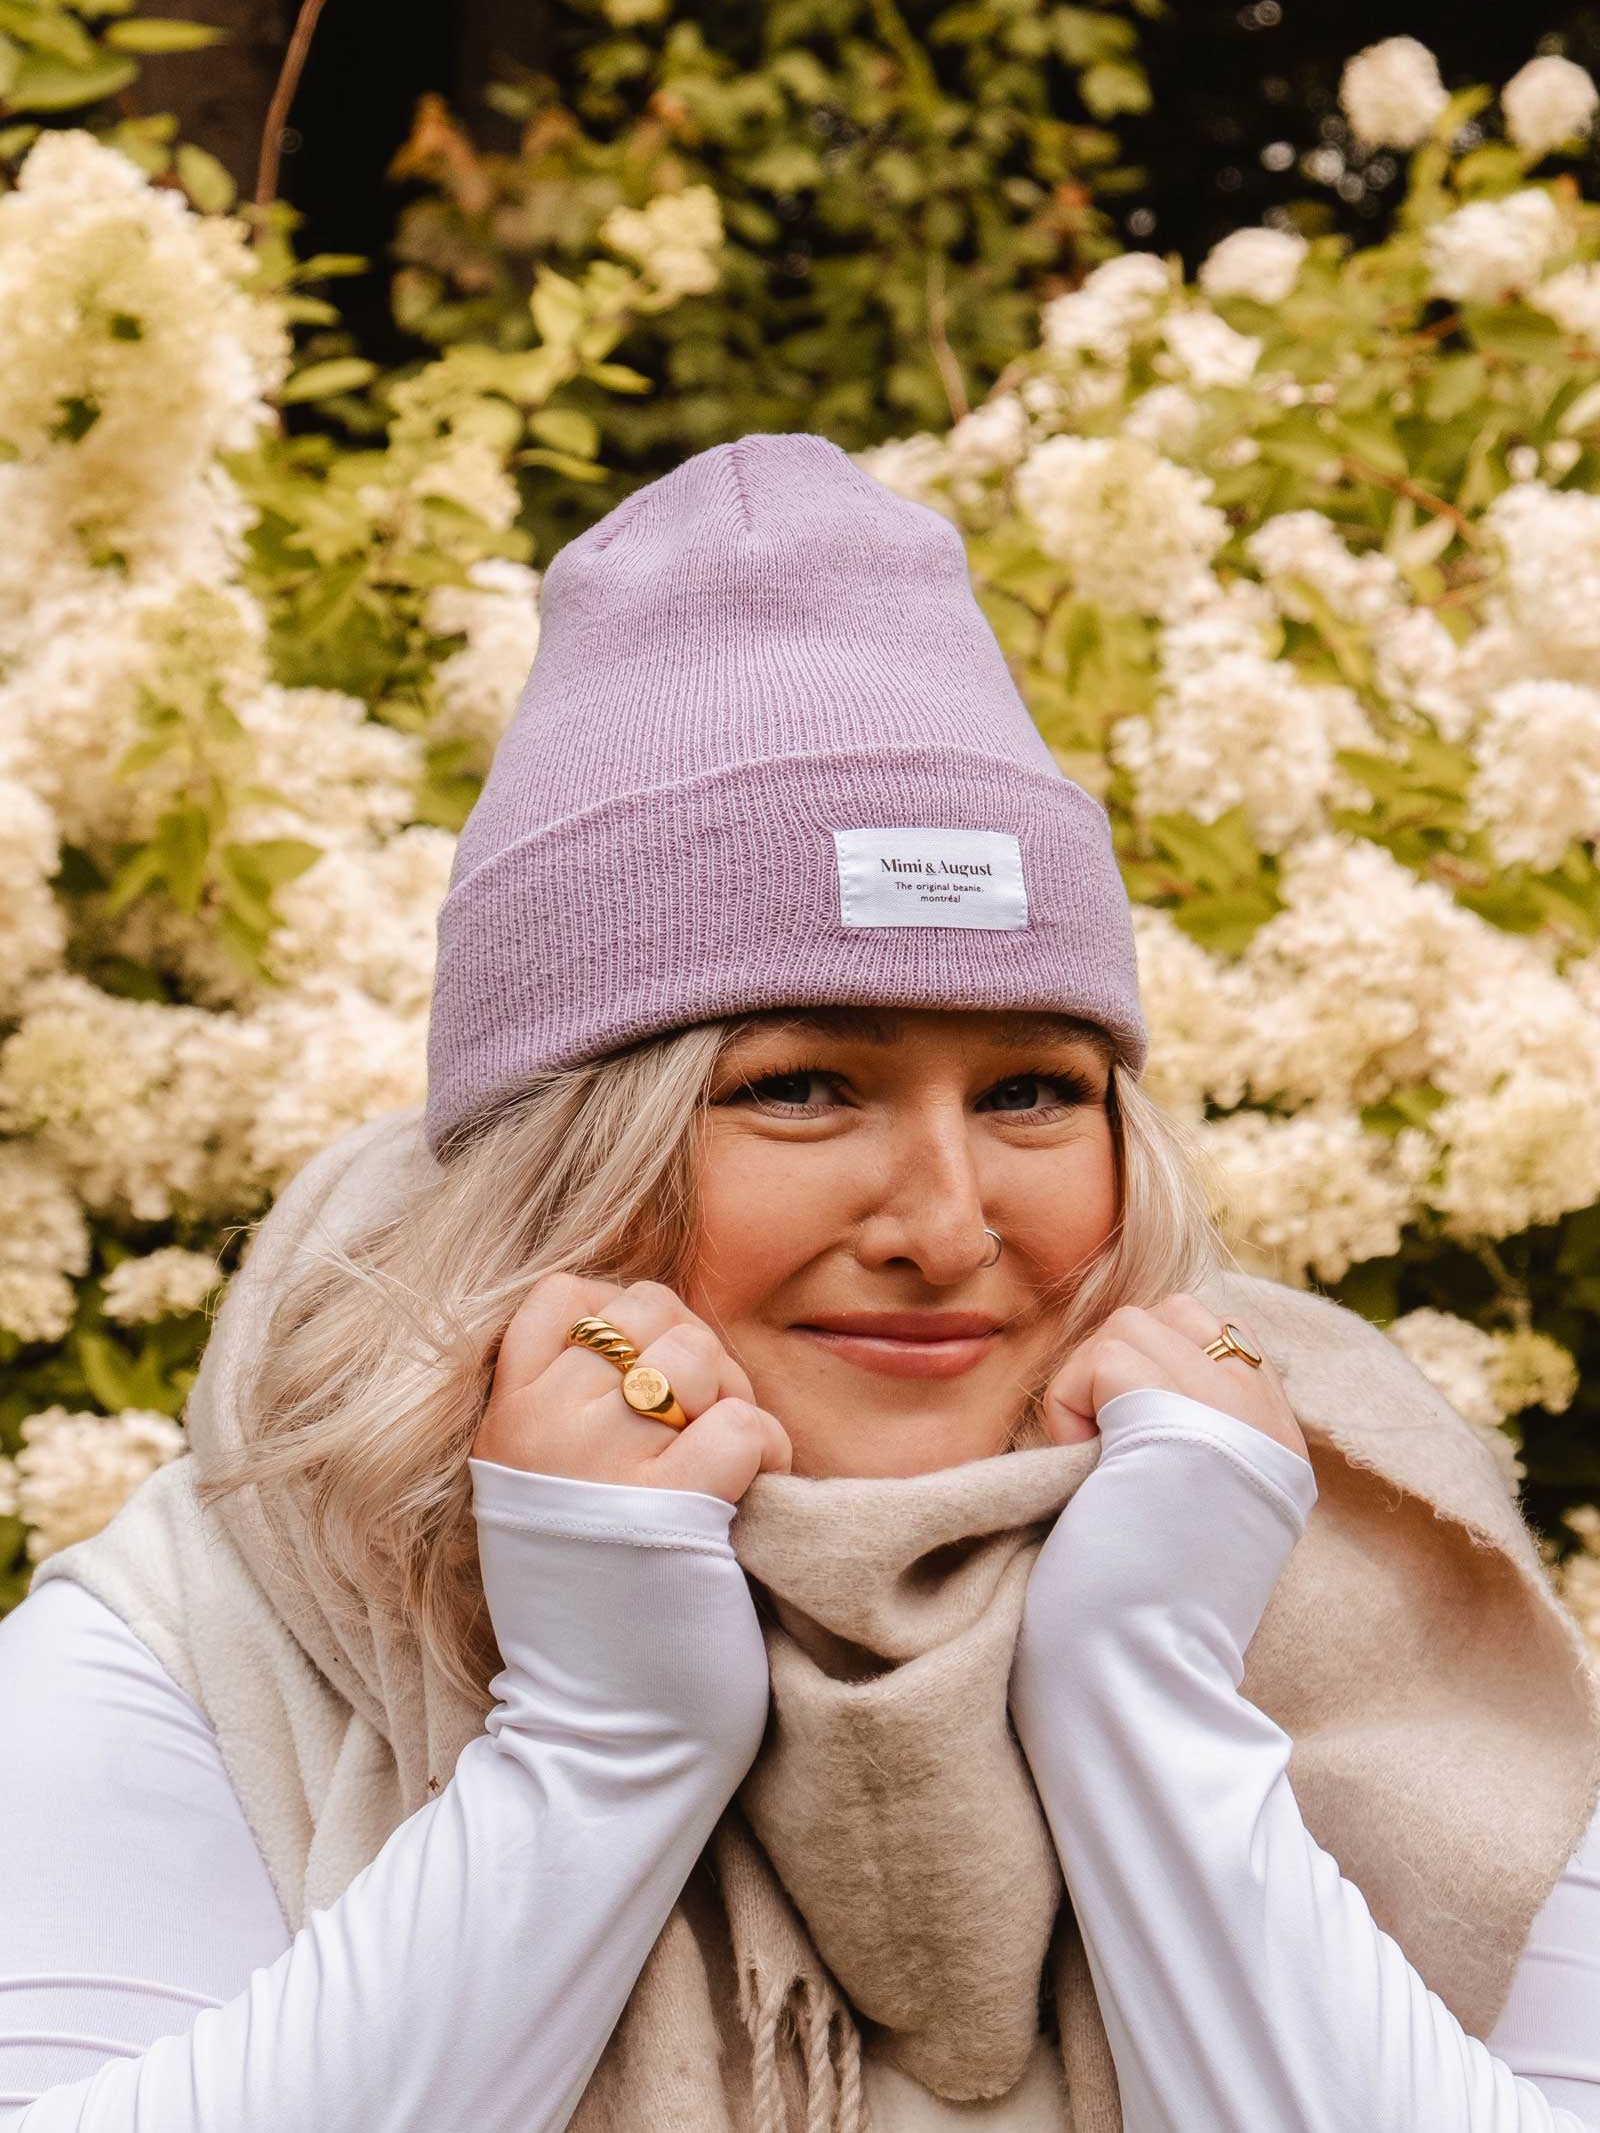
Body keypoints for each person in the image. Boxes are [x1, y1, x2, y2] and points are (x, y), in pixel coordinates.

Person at [1, 431, 1599, 2133]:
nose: (947, 1221)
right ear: (566, 1151)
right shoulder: (217, 1619)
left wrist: (1144, 1705)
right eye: (801, 1084)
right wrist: (602, 1745)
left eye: (1031, 1090)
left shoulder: (1372, 1579)